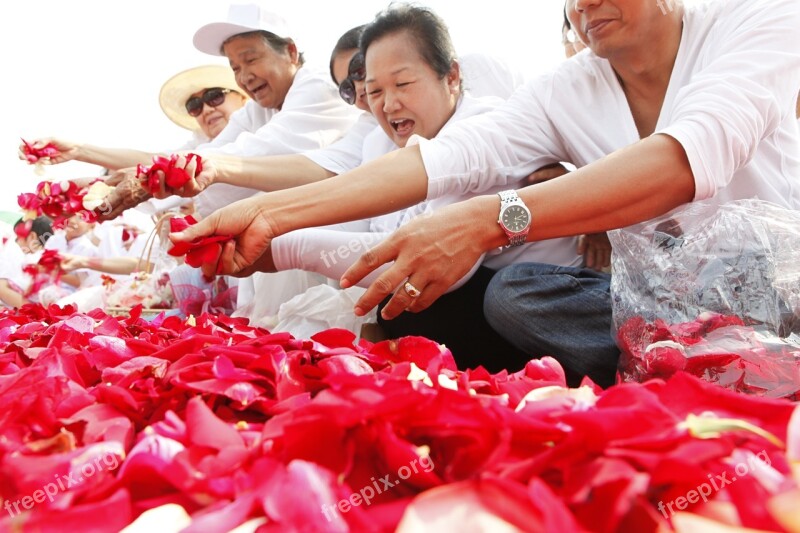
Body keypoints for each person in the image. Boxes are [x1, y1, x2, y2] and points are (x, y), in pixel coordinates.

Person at [171, 0, 800, 386]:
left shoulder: (756, 18)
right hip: (655, 306)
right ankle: (689, 361)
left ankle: (718, 356)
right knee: (518, 299)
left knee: (489, 295)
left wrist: (497, 215)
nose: (585, 3)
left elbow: (687, 159)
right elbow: (443, 163)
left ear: (451, 78)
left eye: (403, 82)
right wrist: (265, 216)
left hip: (771, 280)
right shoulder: (567, 88)